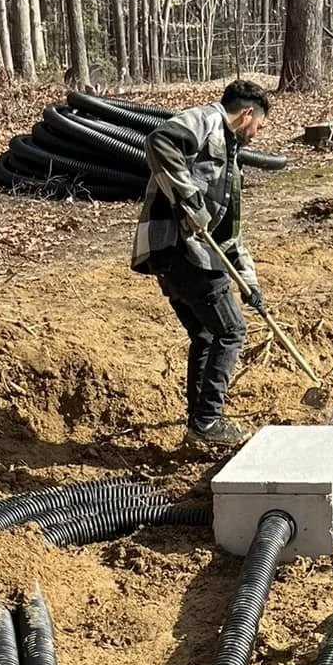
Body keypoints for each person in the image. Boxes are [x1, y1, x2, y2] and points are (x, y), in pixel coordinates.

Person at [131, 78, 271, 449]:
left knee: (208, 334)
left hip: (185, 255)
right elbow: (158, 141)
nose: (257, 133)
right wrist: (189, 202)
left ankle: (199, 426)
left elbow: (230, 233)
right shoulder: (207, 120)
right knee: (231, 331)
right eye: (259, 125)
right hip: (178, 248)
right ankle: (208, 423)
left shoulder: (231, 161)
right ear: (247, 114)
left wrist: (250, 283)